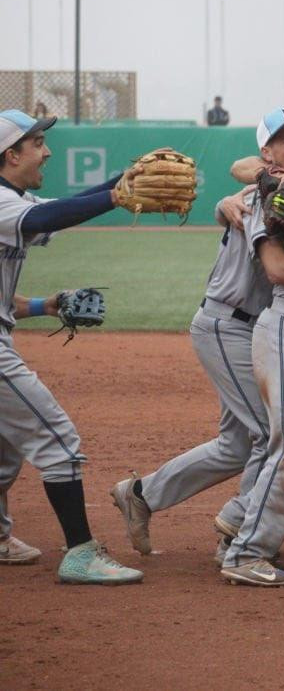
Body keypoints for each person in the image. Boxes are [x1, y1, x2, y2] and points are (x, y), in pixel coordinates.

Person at [110, 107, 284, 563]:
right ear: (267, 153)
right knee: (274, 435)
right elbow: (278, 266)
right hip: (232, 325)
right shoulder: (261, 194)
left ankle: (142, 494)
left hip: (258, 328)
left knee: (236, 444)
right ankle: (241, 529)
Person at [0, 108, 142, 583]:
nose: (47, 151)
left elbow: (56, 209)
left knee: (4, 450)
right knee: (58, 442)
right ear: (10, 153)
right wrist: (117, 196)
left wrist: (46, 304)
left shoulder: (14, 204)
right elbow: (51, 213)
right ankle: (80, 553)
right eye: (37, 143)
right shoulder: (3, 204)